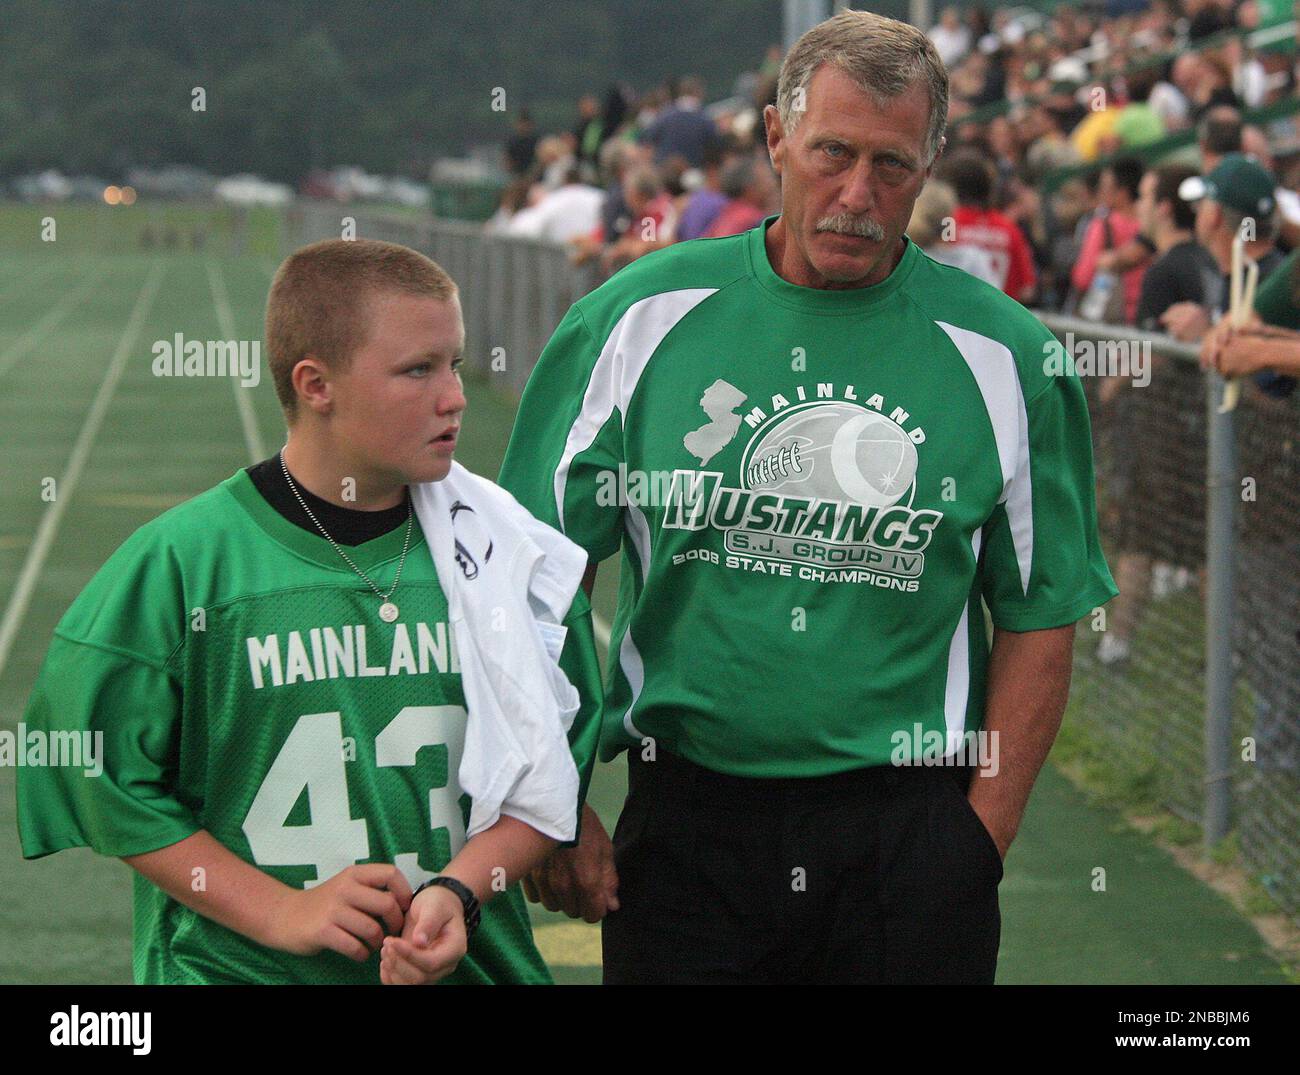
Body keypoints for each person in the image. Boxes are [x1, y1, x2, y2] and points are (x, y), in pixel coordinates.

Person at [499, 9, 1116, 985]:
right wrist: (548, 792)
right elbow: (526, 571)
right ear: (775, 137)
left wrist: (975, 841)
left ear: (930, 164)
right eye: (831, 152)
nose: (858, 196)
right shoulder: (632, 320)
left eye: (892, 166)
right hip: (686, 827)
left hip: (908, 833)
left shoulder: (1012, 358)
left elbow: (1042, 615)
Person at [16, 239, 602, 985]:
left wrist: (461, 888)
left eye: (453, 363)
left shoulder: (507, 550)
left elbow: (548, 773)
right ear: (316, 384)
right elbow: (87, 760)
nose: (453, 395)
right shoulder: (188, 564)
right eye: (417, 369)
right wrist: (277, 909)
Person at [941, 151, 1038, 302]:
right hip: (999, 317)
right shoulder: (1009, 228)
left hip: (952, 314)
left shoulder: (948, 223)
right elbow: (1027, 290)